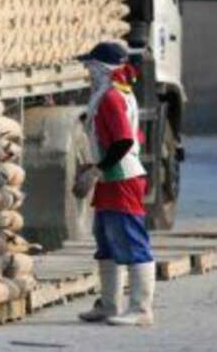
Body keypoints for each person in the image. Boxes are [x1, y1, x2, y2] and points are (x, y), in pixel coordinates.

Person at [75, 41, 155, 327]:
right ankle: (109, 304)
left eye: (91, 67)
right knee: (106, 239)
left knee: (132, 240)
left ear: (102, 69)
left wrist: (97, 170)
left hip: (122, 178)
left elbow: (123, 141)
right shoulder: (112, 94)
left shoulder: (111, 98)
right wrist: (96, 168)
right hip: (112, 178)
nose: (87, 72)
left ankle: (141, 308)